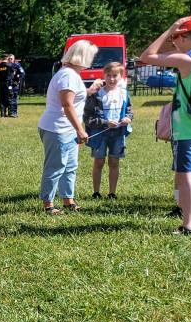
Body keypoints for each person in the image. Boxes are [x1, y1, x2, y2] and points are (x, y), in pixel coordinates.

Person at [139, 16, 191, 235]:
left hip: (187, 127)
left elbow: (147, 56)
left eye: (176, 39)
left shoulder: (187, 60)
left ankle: (188, 225)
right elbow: (188, 42)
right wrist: (177, 35)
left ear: (184, 37)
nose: (173, 43)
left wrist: (171, 28)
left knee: (186, 176)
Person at [38, 40, 100, 214]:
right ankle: (48, 205)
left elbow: (72, 97)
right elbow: (67, 105)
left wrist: (89, 91)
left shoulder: (71, 74)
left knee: (70, 166)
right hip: (58, 129)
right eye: (91, 55)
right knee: (56, 167)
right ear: (84, 56)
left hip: (66, 128)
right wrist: (80, 129)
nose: (92, 59)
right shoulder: (68, 75)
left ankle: (68, 201)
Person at [83, 61, 133, 199]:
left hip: (118, 134)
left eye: (115, 75)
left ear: (121, 76)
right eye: (108, 75)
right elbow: (87, 117)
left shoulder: (123, 93)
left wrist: (128, 119)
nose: (111, 79)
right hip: (100, 134)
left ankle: (112, 192)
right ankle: (96, 192)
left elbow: (129, 111)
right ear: (103, 76)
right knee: (99, 161)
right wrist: (105, 123)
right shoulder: (97, 95)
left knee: (114, 161)